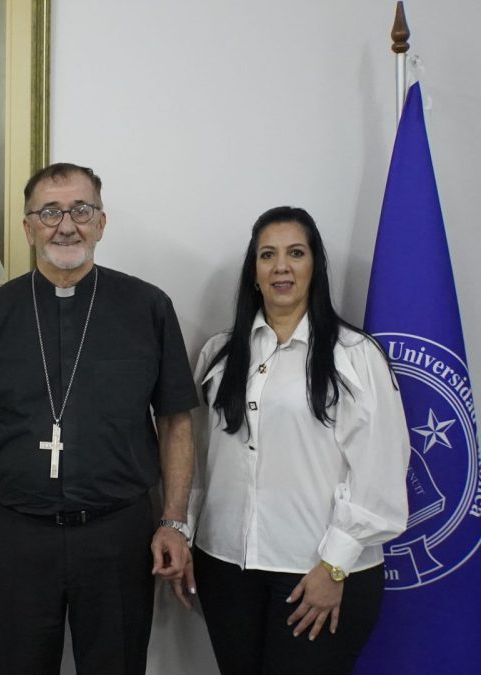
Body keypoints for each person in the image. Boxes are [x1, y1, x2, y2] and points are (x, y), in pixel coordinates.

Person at [0, 163, 198, 674]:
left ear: (101, 222)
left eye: (81, 210)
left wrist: (174, 521)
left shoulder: (147, 307)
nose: (66, 226)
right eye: (50, 213)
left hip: (118, 535)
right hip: (17, 536)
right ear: (27, 227)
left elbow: (176, 423)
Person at [190, 206, 409, 674]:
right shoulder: (219, 355)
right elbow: (198, 461)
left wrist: (334, 566)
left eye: (295, 253)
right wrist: (185, 532)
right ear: (254, 272)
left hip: (318, 572)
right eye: (267, 255)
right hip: (225, 566)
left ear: (315, 266)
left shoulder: (356, 356)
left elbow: (381, 472)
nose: (281, 267)